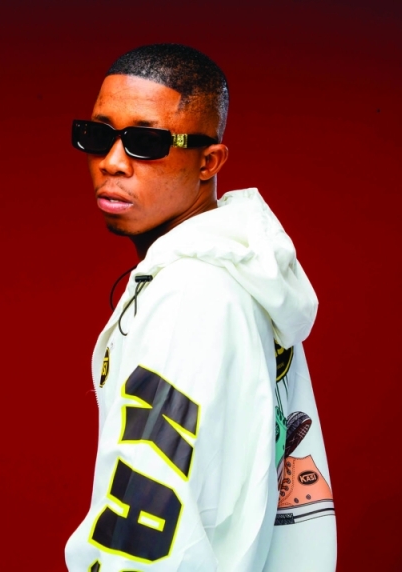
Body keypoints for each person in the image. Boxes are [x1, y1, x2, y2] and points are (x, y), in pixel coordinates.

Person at [64, 43, 336, 572]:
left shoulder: (192, 296)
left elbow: (149, 521)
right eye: (97, 135)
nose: (112, 162)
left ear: (209, 161)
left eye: (145, 142)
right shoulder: (240, 277)